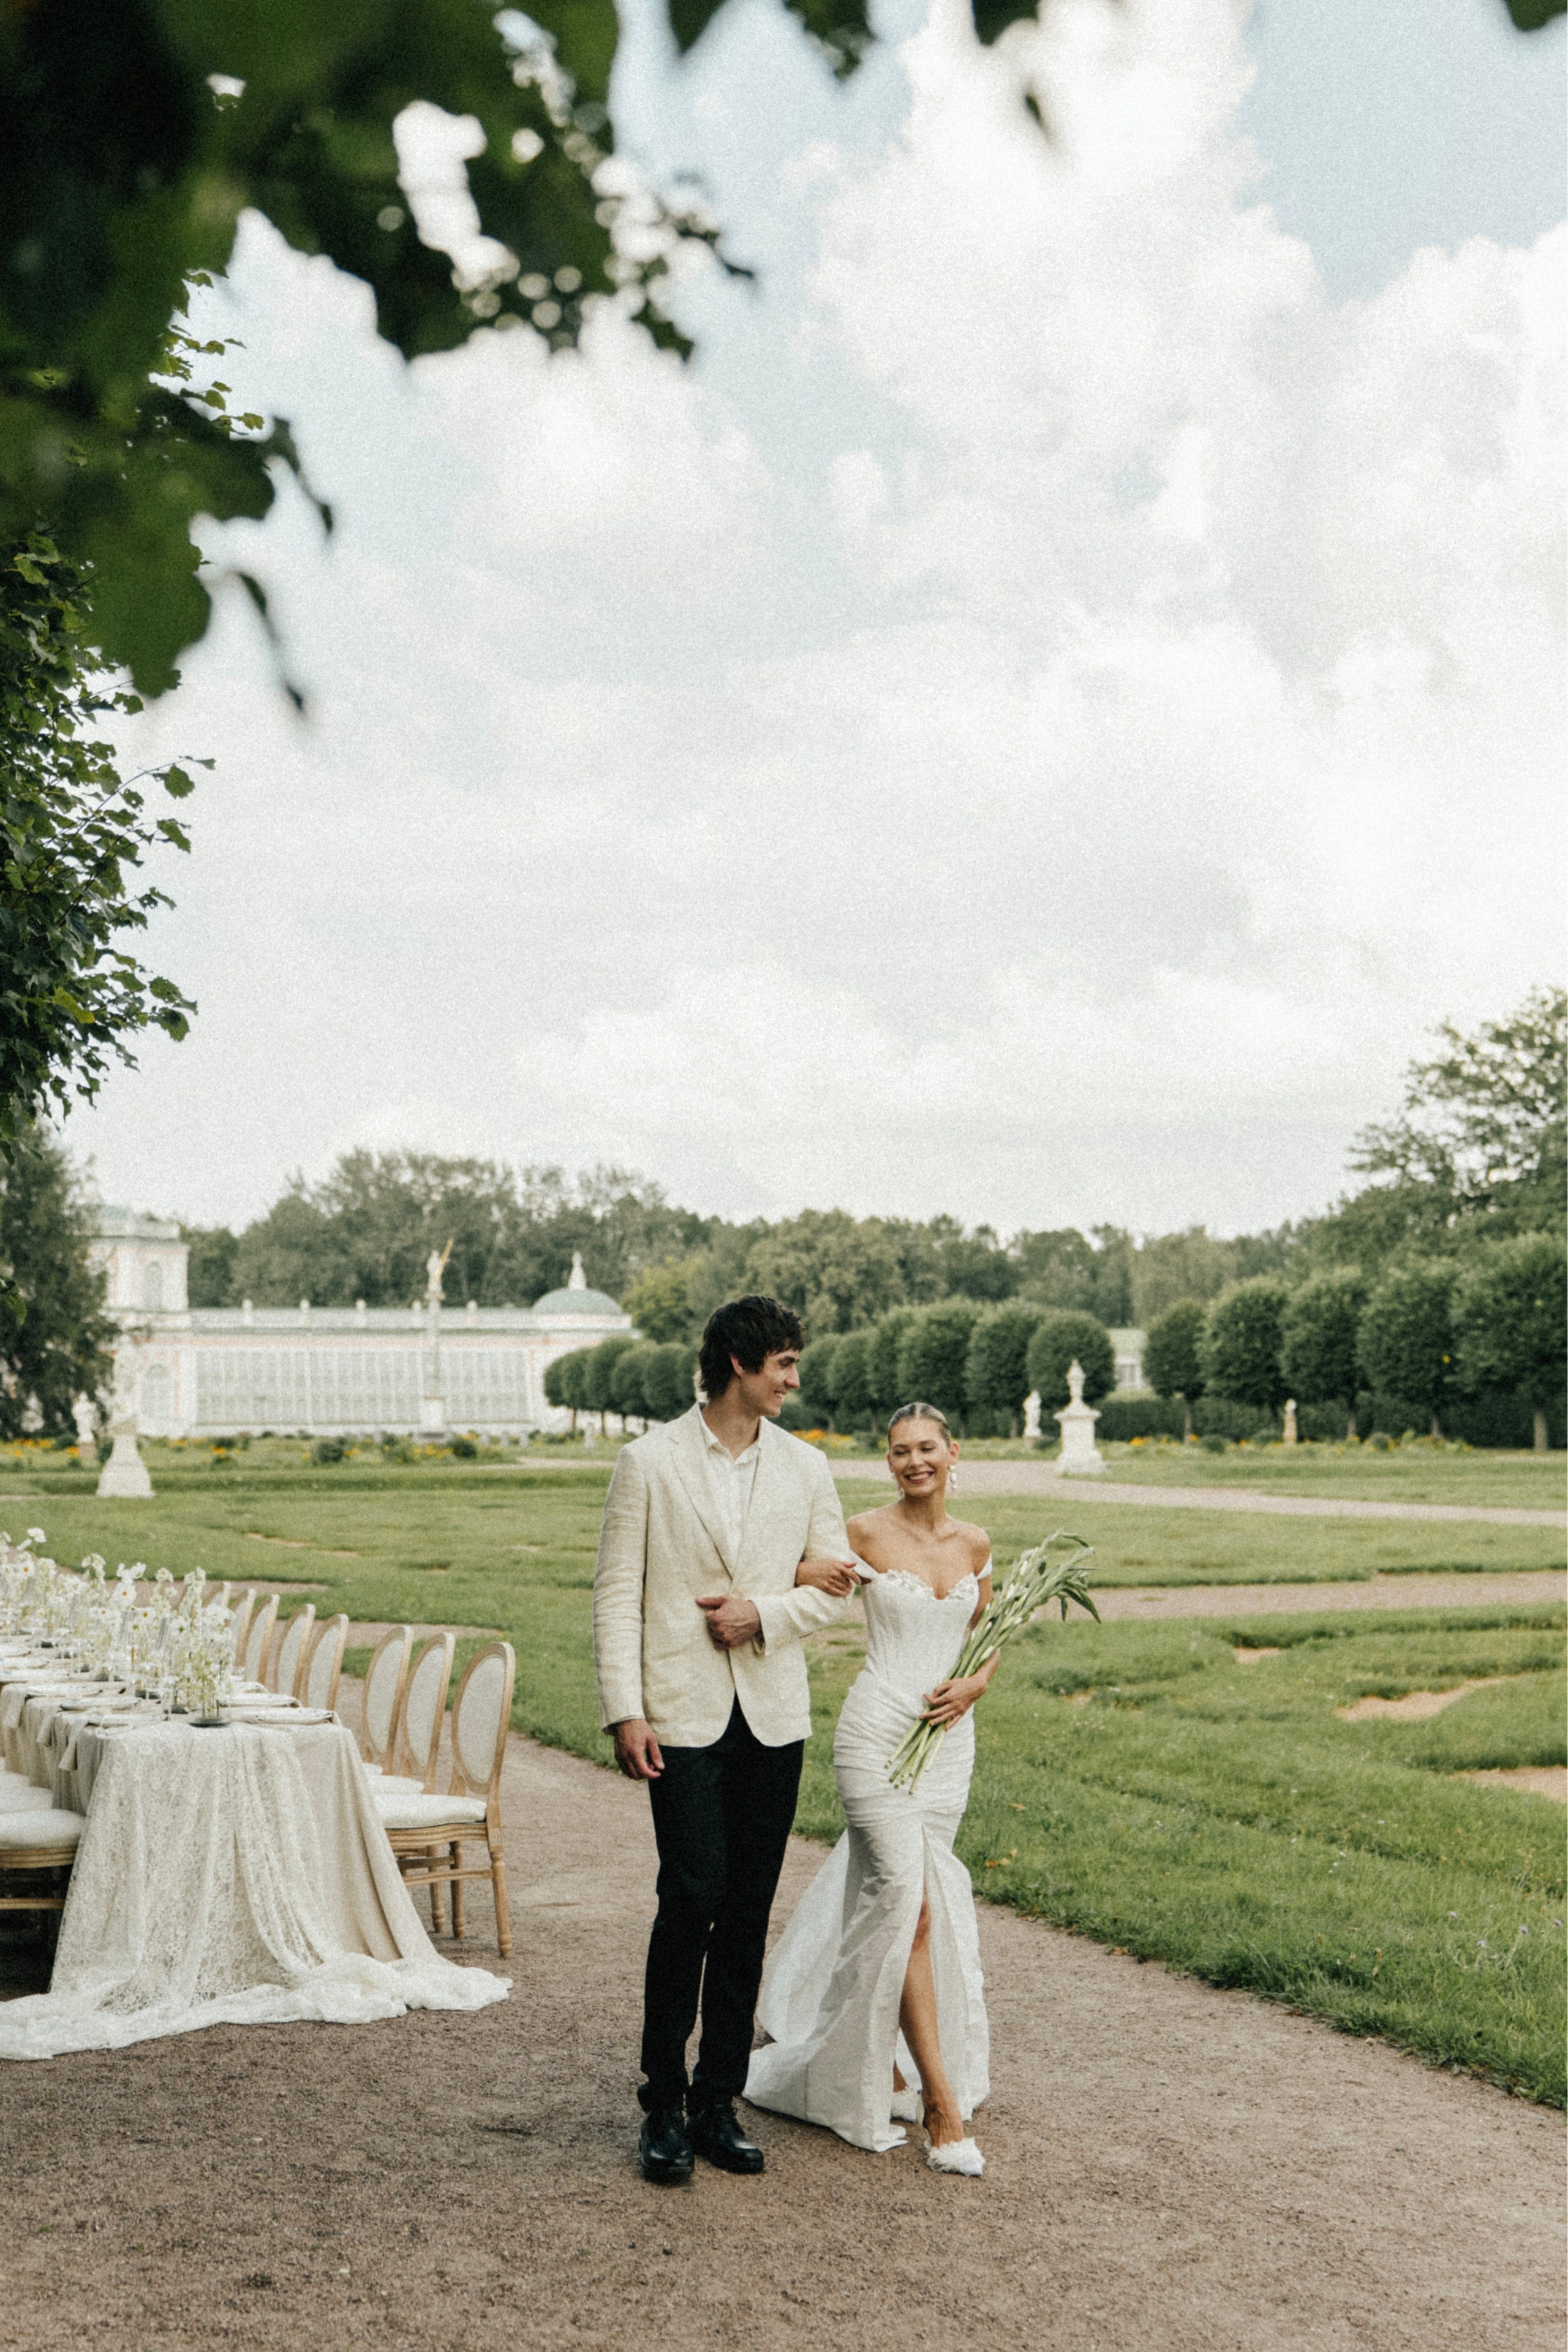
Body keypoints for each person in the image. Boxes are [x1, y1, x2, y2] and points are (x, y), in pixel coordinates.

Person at [592, 1293, 858, 2185]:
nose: (795, 1376)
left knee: (747, 1911)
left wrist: (765, 1613)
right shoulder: (647, 1460)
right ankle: (661, 2101)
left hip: (773, 1715)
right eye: (784, 1360)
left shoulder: (807, 1467)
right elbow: (615, 1593)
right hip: (681, 1713)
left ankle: (718, 2099)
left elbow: (835, 1585)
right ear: (740, 1363)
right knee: (690, 1897)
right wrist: (626, 1709)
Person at [744, 1402, 995, 2176]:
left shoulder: (976, 1542)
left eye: (926, 1448)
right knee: (905, 1900)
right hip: (876, 1732)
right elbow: (789, 1572)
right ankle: (940, 2106)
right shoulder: (861, 1532)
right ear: (887, 1461)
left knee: (906, 1904)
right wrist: (780, 1588)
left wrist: (975, 1687)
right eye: (898, 1451)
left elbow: (990, 1637)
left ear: (953, 1453)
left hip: (946, 1745)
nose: (913, 1460)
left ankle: (879, 2057)